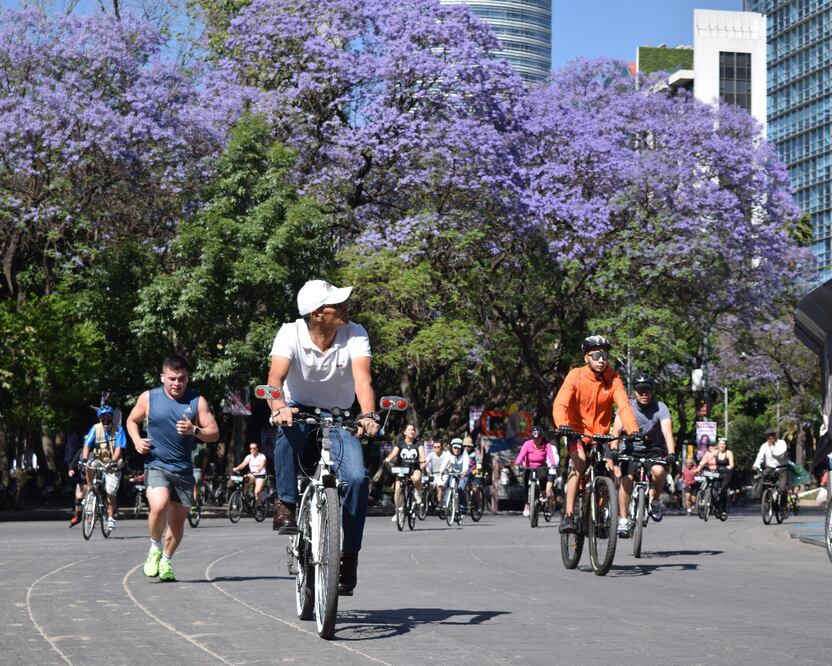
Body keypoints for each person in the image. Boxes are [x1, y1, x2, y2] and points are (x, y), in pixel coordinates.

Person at [266, 279, 379, 596]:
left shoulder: (354, 331)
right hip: (298, 410)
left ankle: (350, 557)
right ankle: (286, 504)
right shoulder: (290, 333)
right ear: (316, 313)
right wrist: (279, 407)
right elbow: (275, 380)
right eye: (337, 304)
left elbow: (362, 378)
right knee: (287, 433)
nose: (346, 307)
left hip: (340, 416)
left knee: (357, 479)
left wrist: (367, 413)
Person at [126, 355, 219, 582]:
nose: (177, 383)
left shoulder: (197, 401)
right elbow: (131, 421)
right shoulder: (149, 398)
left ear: (187, 379)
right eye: (172, 379)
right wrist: (137, 440)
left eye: (182, 379)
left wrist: (194, 430)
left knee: (177, 524)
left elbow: (214, 433)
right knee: (158, 506)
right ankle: (155, 548)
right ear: (163, 377)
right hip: (156, 464)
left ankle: (166, 561)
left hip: (183, 470)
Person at [553, 335, 639, 535]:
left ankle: (600, 513)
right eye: (597, 355)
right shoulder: (576, 375)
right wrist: (562, 424)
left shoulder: (613, 378)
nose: (602, 360)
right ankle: (568, 516)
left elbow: (624, 405)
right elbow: (561, 402)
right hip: (575, 431)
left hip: (601, 435)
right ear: (586, 358)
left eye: (605, 355)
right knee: (580, 462)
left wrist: (633, 429)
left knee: (608, 469)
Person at [612, 372, 677, 536]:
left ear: (652, 391)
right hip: (631, 449)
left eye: (647, 390)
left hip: (654, 449)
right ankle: (624, 520)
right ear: (634, 391)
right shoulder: (627, 407)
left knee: (659, 471)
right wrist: (613, 449)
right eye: (640, 390)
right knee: (627, 479)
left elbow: (667, 432)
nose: (644, 394)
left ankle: (655, 500)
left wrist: (671, 453)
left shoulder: (660, 407)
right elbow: (616, 431)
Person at [81, 405, 127, 532]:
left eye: (108, 416)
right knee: (90, 465)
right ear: (99, 418)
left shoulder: (118, 430)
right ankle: (90, 488)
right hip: (100, 460)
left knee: (111, 491)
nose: (105, 419)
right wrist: (85, 458)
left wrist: (113, 461)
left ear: (112, 417)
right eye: (102, 417)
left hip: (114, 463)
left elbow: (119, 448)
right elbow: (86, 445)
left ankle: (111, 517)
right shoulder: (95, 429)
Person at [513, 426, 560, 517]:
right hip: (528, 467)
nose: (536, 440)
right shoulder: (527, 444)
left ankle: (542, 492)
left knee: (543, 476)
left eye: (538, 438)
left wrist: (553, 464)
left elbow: (550, 455)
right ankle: (527, 504)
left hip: (540, 467)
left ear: (541, 437)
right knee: (526, 483)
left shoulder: (547, 445)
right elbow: (521, 455)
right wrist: (517, 463)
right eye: (534, 438)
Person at [383, 424, 426, 522]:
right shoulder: (400, 443)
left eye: (413, 430)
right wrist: (389, 458)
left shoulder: (418, 443)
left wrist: (422, 458)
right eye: (409, 430)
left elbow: (422, 454)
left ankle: (417, 493)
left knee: (416, 478)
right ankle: (398, 511)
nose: (412, 432)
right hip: (402, 469)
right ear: (405, 432)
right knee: (398, 489)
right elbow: (394, 453)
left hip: (414, 468)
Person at [696, 437, 734, 517]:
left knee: (723, 489)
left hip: (726, 473)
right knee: (715, 488)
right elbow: (706, 460)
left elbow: (731, 465)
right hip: (718, 473)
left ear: (726, 445)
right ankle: (714, 504)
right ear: (718, 445)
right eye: (720, 444)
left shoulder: (729, 453)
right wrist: (699, 467)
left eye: (723, 444)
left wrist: (728, 467)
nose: (722, 446)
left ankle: (724, 508)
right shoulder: (715, 452)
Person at [753, 429, 789, 509]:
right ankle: (765, 498)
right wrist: (756, 465)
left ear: (775, 435)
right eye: (768, 436)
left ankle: (784, 506)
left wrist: (772, 446)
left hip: (781, 468)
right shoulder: (764, 446)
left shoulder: (781, 443)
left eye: (772, 435)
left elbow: (780, 455)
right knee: (762, 478)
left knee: (782, 489)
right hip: (770, 468)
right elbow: (760, 456)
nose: (771, 437)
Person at [233, 442, 268, 506]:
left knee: (257, 492)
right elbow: (243, 464)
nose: (252, 450)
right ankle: (244, 498)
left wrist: (260, 468)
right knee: (244, 480)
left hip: (260, 475)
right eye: (250, 448)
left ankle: (259, 507)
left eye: (254, 448)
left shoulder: (261, 456)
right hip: (252, 474)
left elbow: (262, 463)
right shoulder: (249, 457)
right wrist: (237, 468)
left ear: (257, 449)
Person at [440, 438, 470, 511]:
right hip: (453, 473)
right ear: (452, 447)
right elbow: (444, 462)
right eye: (455, 448)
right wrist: (441, 471)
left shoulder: (464, 453)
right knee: (447, 485)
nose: (456, 450)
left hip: (463, 474)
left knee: (460, 489)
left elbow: (466, 463)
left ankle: (463, 506)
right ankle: (446, 502)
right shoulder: (449, 453)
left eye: (458, 448)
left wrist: (464, 471)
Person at [424, 440, 448, 507]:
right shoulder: (431, 455)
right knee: (429, 486)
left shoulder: (445, 454)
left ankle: (439, 503)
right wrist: (429, 473)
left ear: (441, 447)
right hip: (434, 474)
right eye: (435, 447)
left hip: (443, 474)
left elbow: (449, 464)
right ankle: (431, 498)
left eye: (438, 447)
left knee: (440, 486)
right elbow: (426, 464)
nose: (436, 449)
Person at [191, 439, 208, 509]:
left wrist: (202, 471)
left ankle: (194, 505)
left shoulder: (200, 448)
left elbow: (204, 461)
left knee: (195, 485)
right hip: (187, 469)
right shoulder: (184, 444)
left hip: (196, 470)